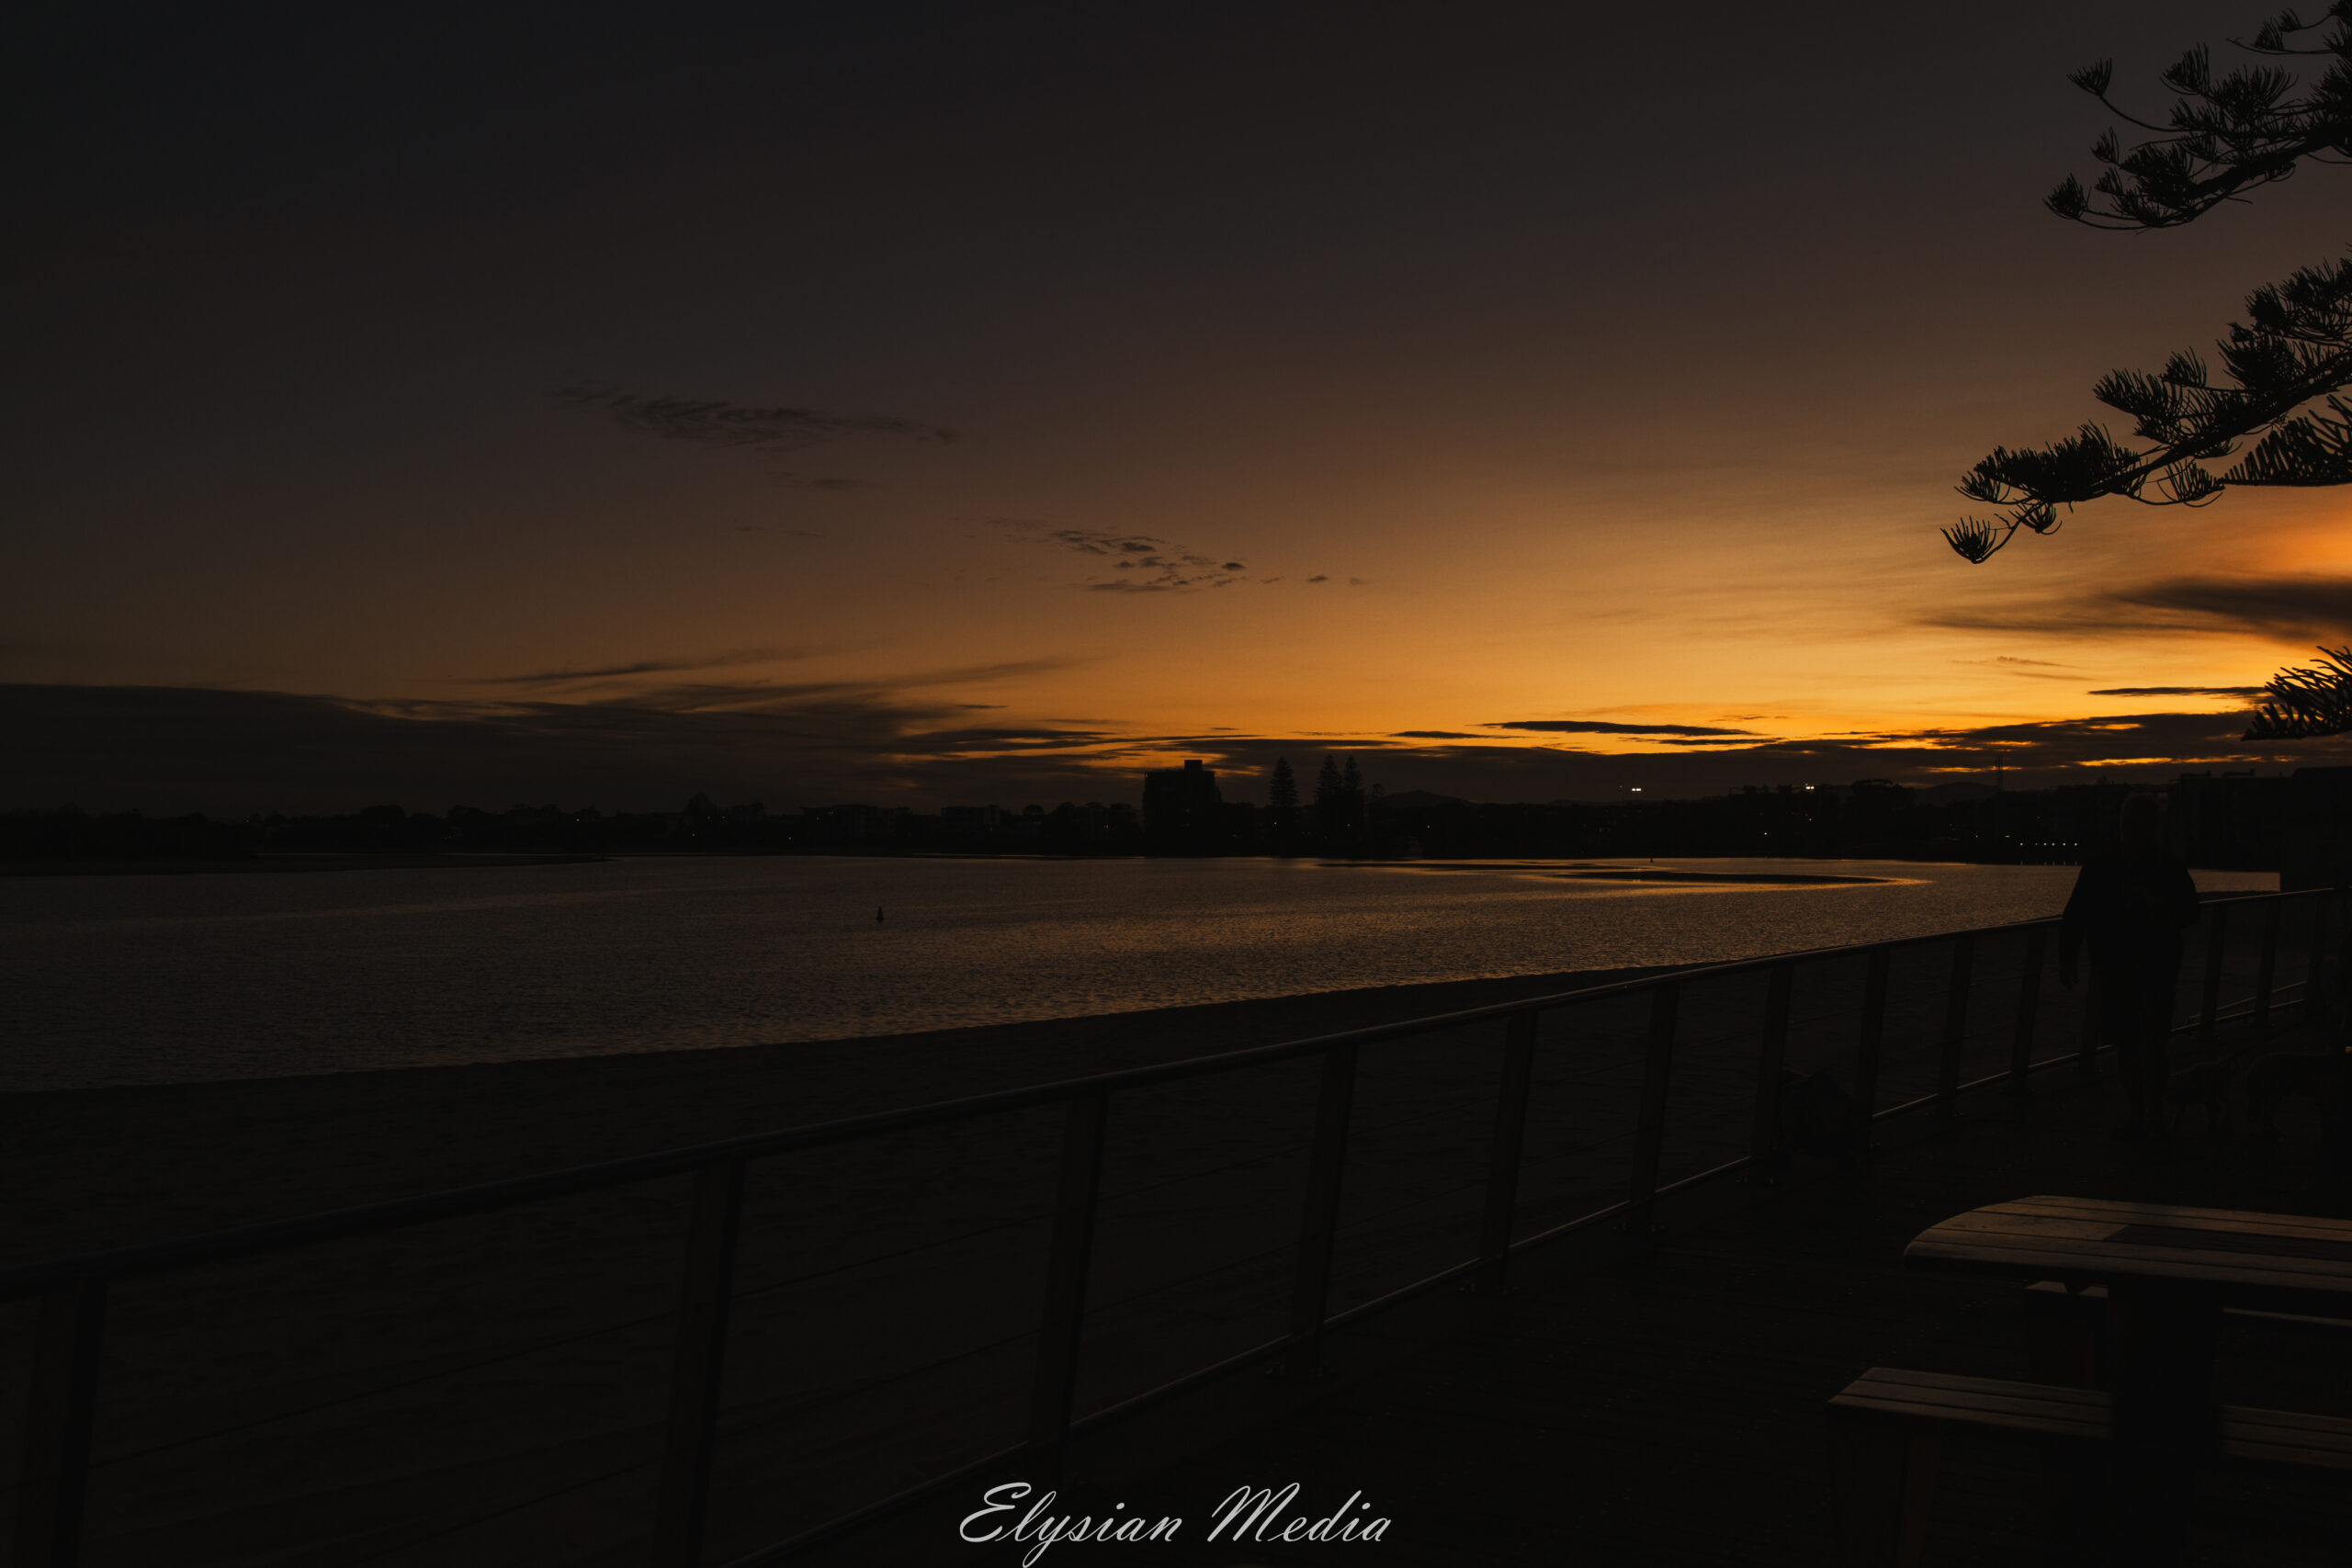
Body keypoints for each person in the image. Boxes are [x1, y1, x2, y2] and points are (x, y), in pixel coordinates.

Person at [2059, 793, 2201, 1138]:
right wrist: (2068, 956)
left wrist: (2161, 910)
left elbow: (2189, 911)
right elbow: (2076, 915)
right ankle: (2145, 1114)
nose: (2132, 831)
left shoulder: (2125, 867)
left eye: (2137, 824)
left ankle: (2148, 1114)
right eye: (2128, 824)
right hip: (2125, 965)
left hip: (2147, 965)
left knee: (2147, 1040)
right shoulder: (2115, 867)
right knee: (2133, 1040)